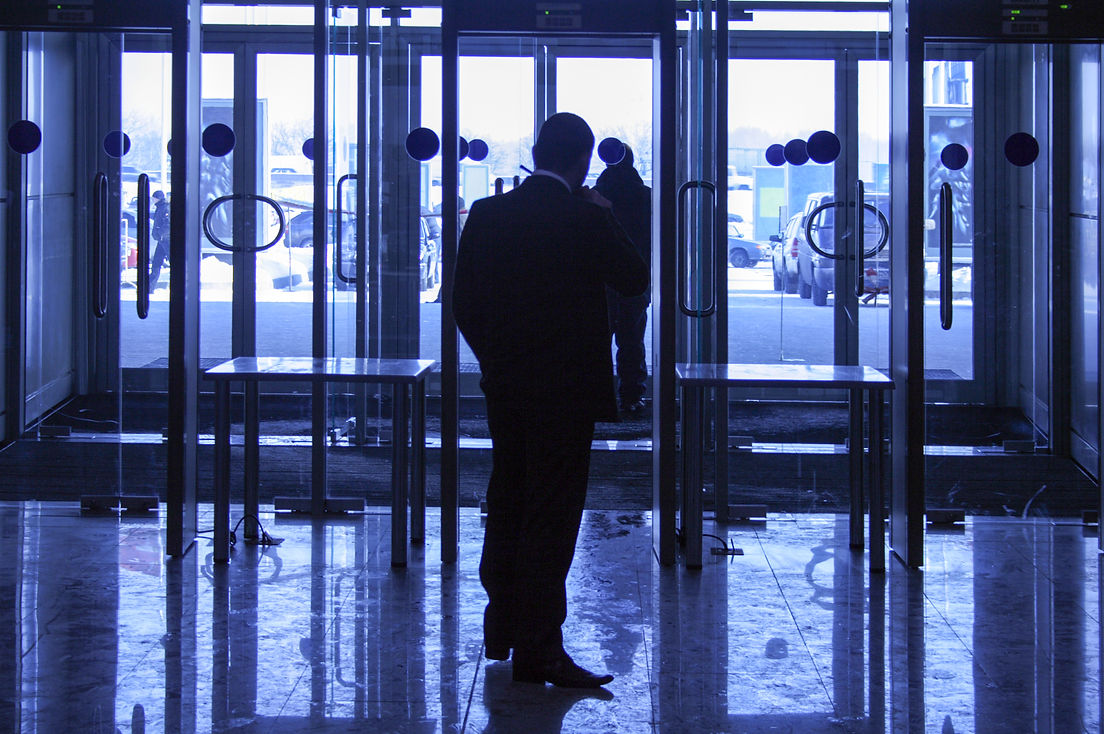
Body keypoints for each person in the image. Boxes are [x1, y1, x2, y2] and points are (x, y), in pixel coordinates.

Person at [453, 112, 648, 689]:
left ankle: (503, 627)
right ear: (583, 159)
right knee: (552, 515)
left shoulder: (489, 214)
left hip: (508, 389)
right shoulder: (584, 217)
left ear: (536, 153)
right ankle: (539, 647)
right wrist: (607, 217)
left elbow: (465, 303)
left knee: (509, 497)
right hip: (567, 394)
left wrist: (499, 363)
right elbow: (635, 278)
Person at [594, 145, 651, 416]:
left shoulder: (596, 194)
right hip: (633, 279)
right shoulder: (645, 197)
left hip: (598, 281)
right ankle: (632, 396)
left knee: (596, 342)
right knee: (631, 341)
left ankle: (597, 398)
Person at [148, 190, 170, 293]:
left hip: (166, 240)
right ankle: (149, 287)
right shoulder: (160, 207)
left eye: (154, 197)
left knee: (159, 262)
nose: (153, 199)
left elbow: (167, 224)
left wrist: (160, 234)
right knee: (156, 262)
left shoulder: (165, 208)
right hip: (162, 240)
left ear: (159, 198)